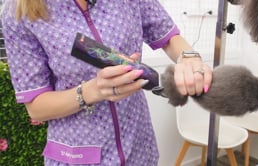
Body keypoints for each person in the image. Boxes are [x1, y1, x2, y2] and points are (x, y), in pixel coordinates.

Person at [1, 0, 212, 165]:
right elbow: (36, 108)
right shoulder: (18, 12)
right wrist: (91, 91)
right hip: (78, 156)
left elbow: (169, 37)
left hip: (139, 147)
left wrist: (190, 58)